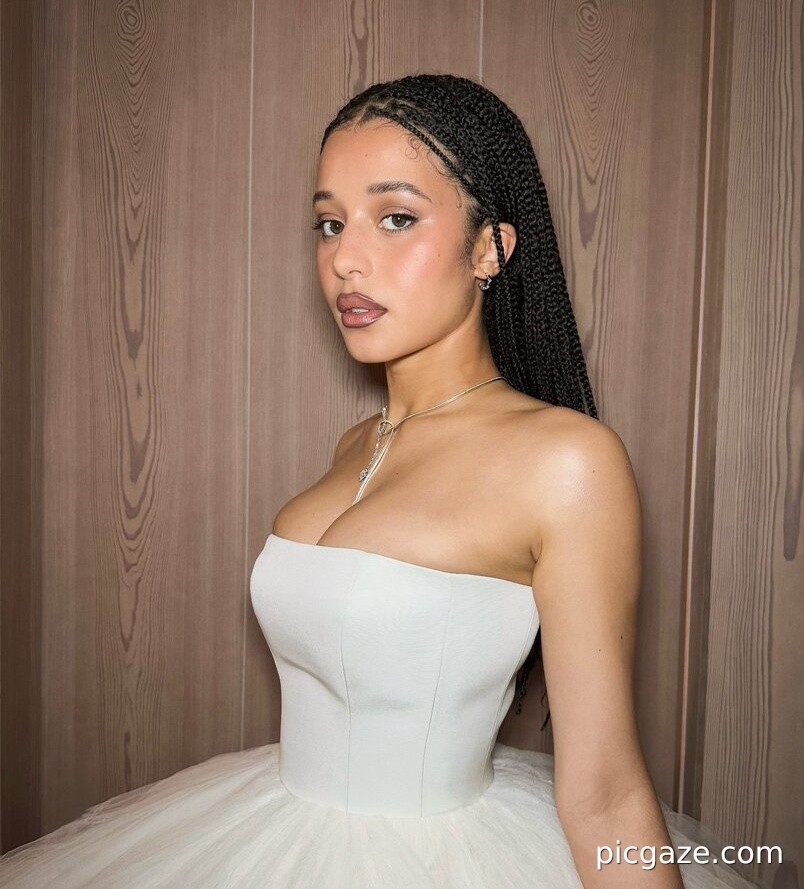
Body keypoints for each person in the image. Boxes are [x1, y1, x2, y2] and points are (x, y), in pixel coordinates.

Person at [0, 74, 768, 888]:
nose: (345, 259)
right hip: (273, 839)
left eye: (395, 217)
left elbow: (606, 793)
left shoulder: (568, 462)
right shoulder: (356, 444)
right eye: (329, 223)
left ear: (490, 247)